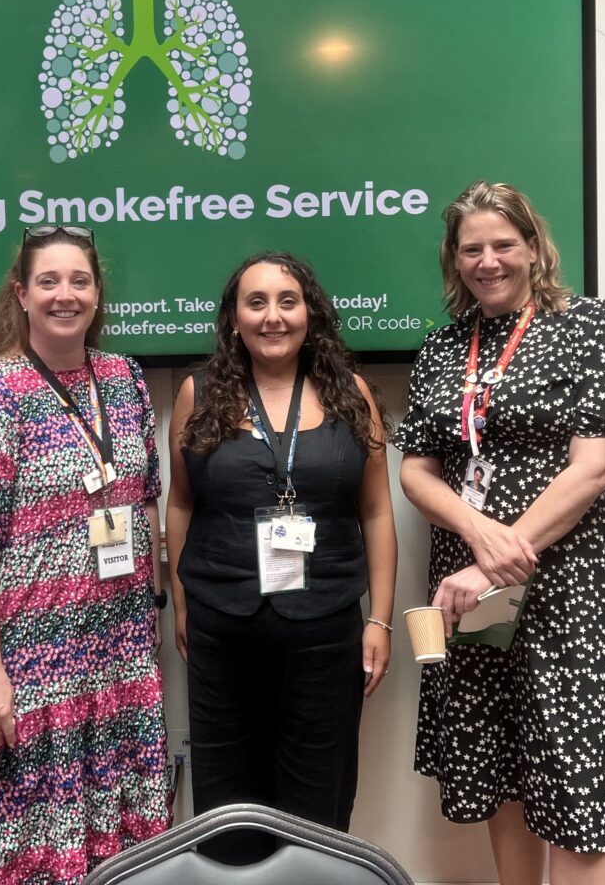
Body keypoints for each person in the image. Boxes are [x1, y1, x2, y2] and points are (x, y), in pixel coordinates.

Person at [394, 181, 605, 885]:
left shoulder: (591, 326)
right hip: (469, 590)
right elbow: (417, 471)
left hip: (568, 583)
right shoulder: (444, 347)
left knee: (577, 793)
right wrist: (478, 533)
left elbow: (595, 467)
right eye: (471, 248)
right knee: (503, 773)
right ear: (454, 259)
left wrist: (495, 558)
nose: (488, 261)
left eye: (502, 244)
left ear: (534, 246)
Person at [0, 226, 168, 885]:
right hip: (31, 662)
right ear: (22, 294)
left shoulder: (124, 378)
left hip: (118, 653)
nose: (65, 294)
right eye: (49, 281)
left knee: (118, 846)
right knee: (30, 848)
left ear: (97, 293)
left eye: (80, 280)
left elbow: (143, 496)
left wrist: (149, 616)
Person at [164, 252, 397, 859]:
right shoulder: (200, 393)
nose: (273, 317)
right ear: (234, 318)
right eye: (256, 302)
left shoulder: (353, 395)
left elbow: (376, 512)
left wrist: (380, 619)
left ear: (310, 313)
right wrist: (184, 607)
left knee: (318, 794)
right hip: (221, 624)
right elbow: (181, 504)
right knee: (226, 796)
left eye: (287, 301)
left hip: (326, 626)